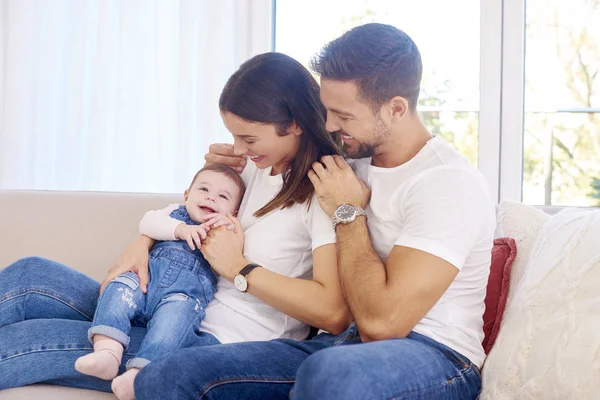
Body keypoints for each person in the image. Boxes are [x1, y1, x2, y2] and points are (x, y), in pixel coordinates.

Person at [133, 23, 496, 400]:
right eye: (326, 110)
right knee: (167, 374)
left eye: (343, 115)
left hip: (433, 354)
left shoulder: (446, 183)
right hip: (335, 346)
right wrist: (228, 170)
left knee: (330, 377)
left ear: (396, 109)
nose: (328, 125)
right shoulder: (349, 163)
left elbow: (383, 324)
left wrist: (347, 212)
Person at [0, 52, 351, 393]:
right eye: (234, 136)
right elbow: (187, 212)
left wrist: (239, 269)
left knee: (25, 340)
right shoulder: (255, 168)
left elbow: (332, 312)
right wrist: (142, 243)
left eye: (249, 138)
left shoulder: (322, 189)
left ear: (294, 124)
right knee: (30, 275)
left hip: (211, 340)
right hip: (167, 299)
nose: (239, 148)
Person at [74, 164, 244, 399]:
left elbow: (230, 264)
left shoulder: (225, 230)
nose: (210, 197)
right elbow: (148, 222)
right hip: (145, 282)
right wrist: (180, 229)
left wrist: (228, 232)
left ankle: (138, 376)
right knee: (117, 288)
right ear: (186, 195)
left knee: (171, 328)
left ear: (234, 212)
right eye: (203, 189)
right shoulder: (174, 212)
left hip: (182, 297)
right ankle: (107, 352)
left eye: (223, 196)